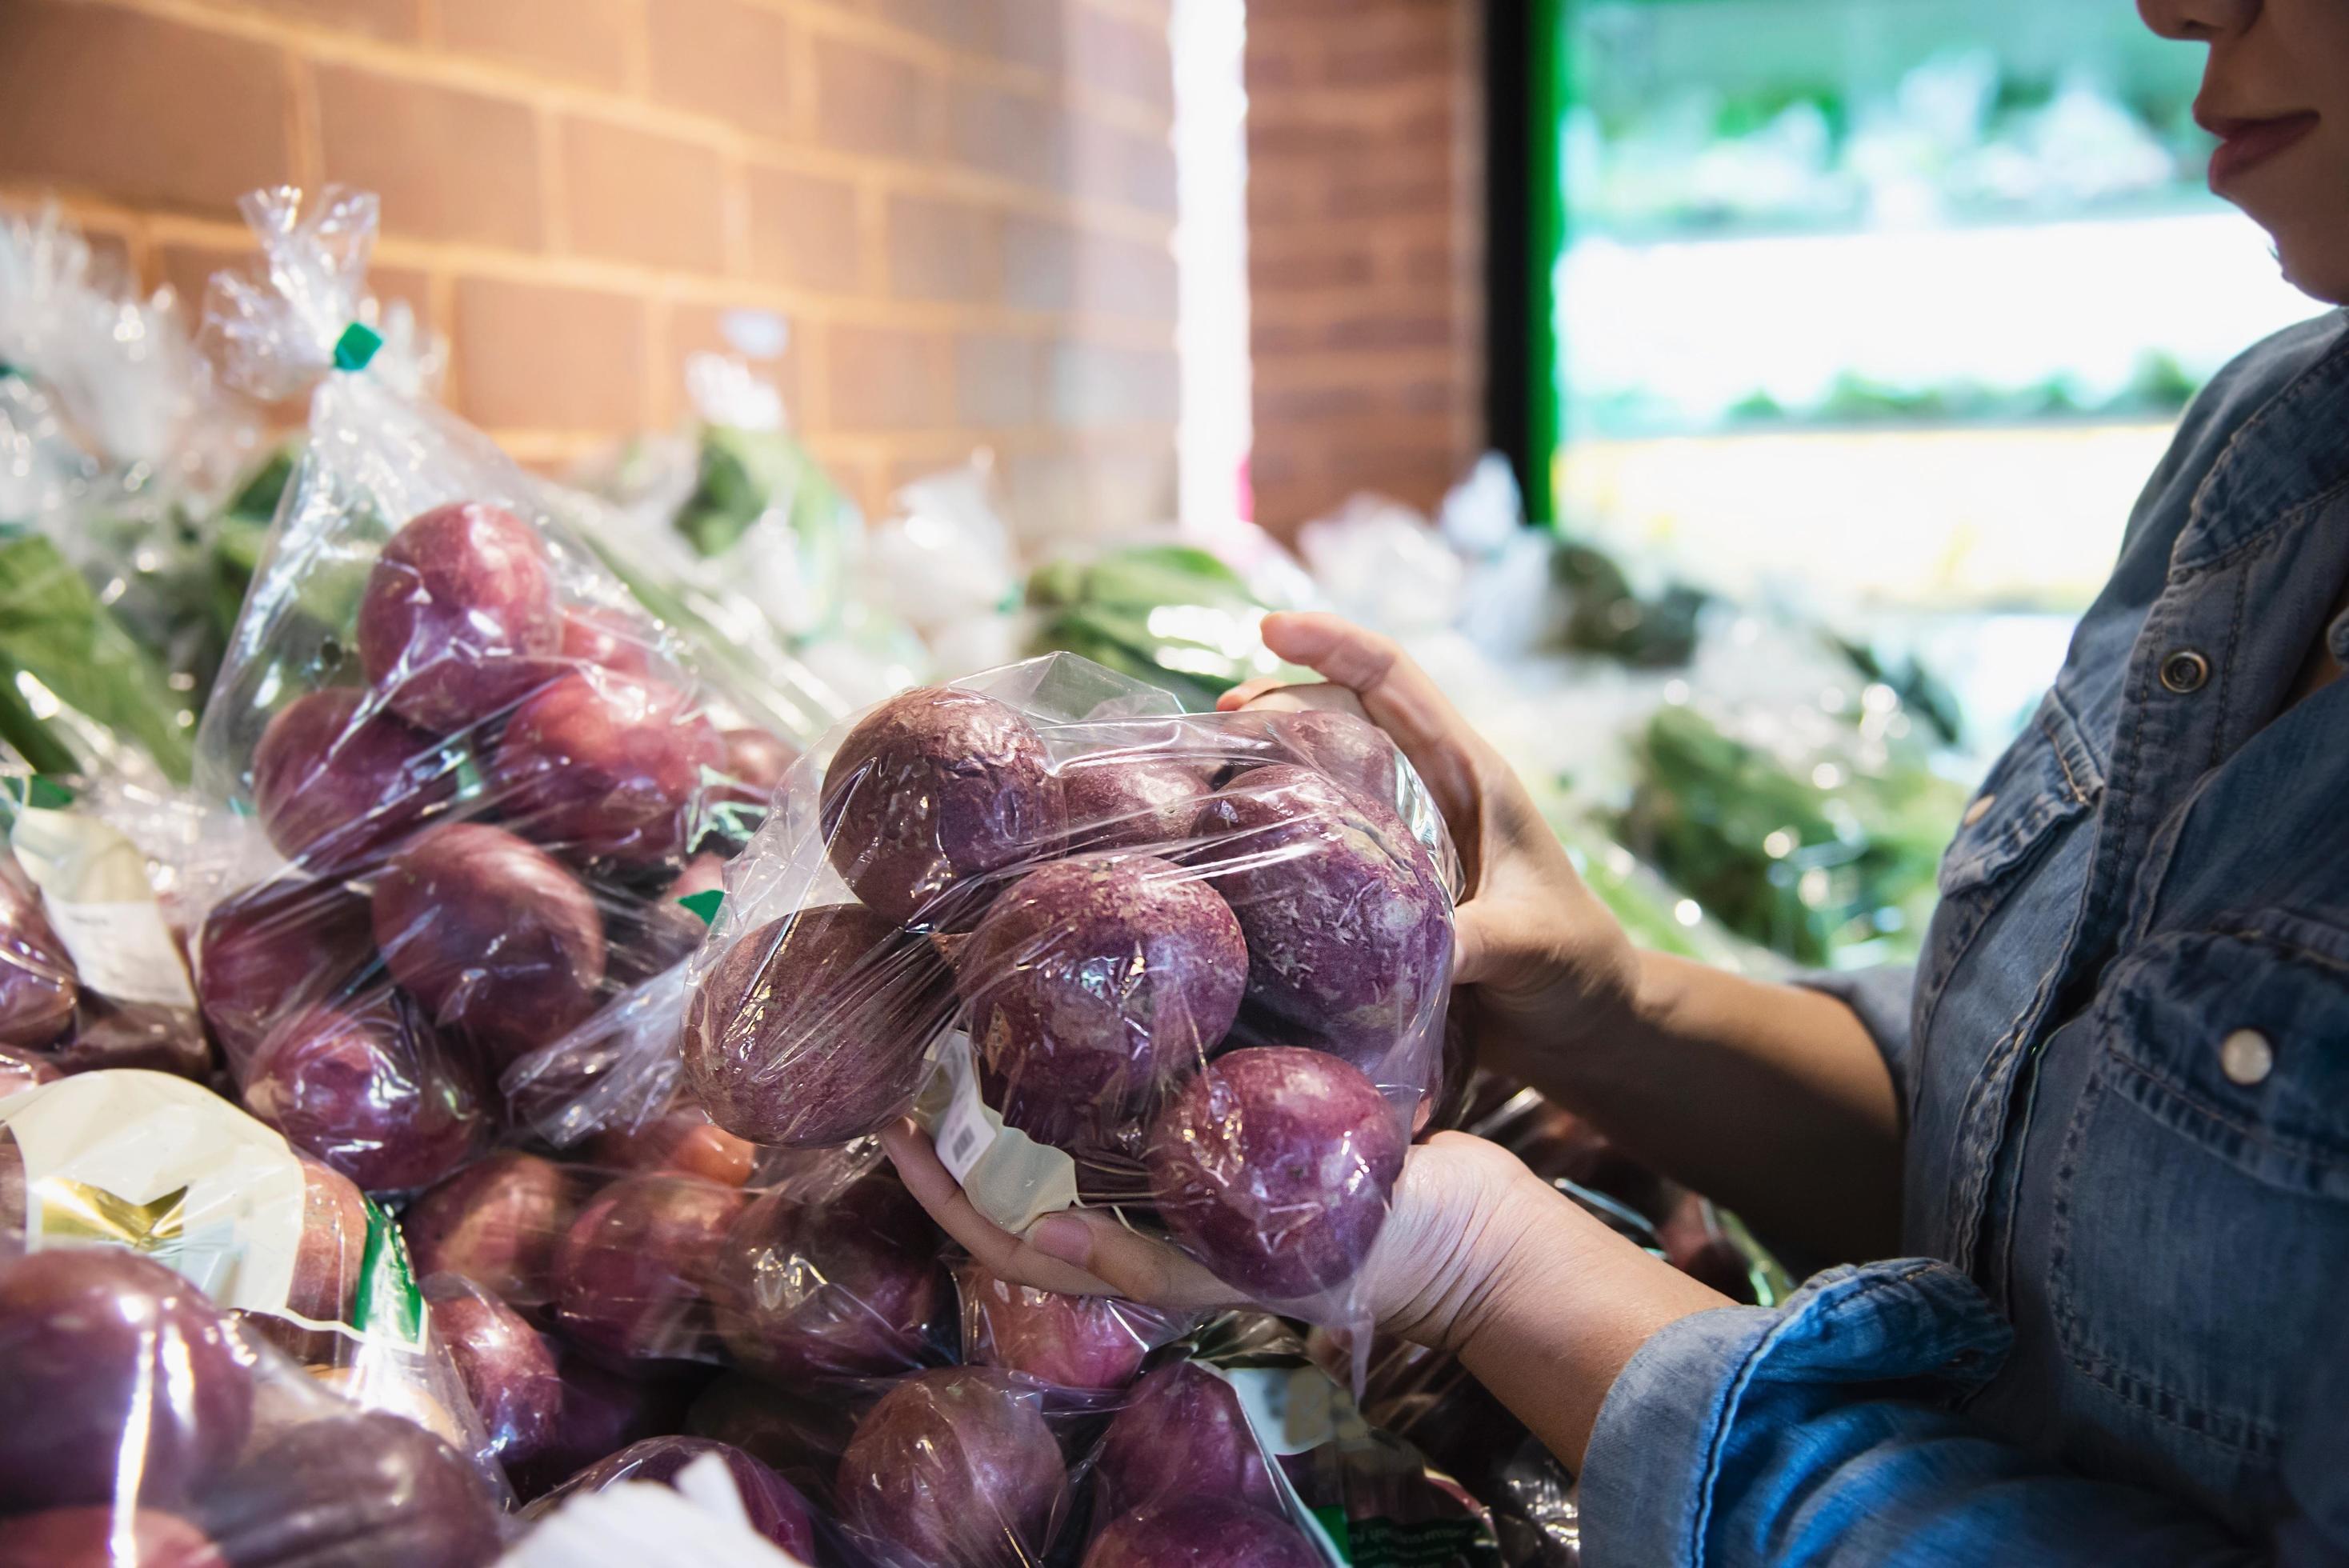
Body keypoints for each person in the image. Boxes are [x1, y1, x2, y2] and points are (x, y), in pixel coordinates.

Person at [883, 0, 2349, 1559]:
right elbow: (2013, 1174)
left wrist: (1493, 1268)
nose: (2173, 5)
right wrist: (1600, 1001)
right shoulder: (2266, 453)